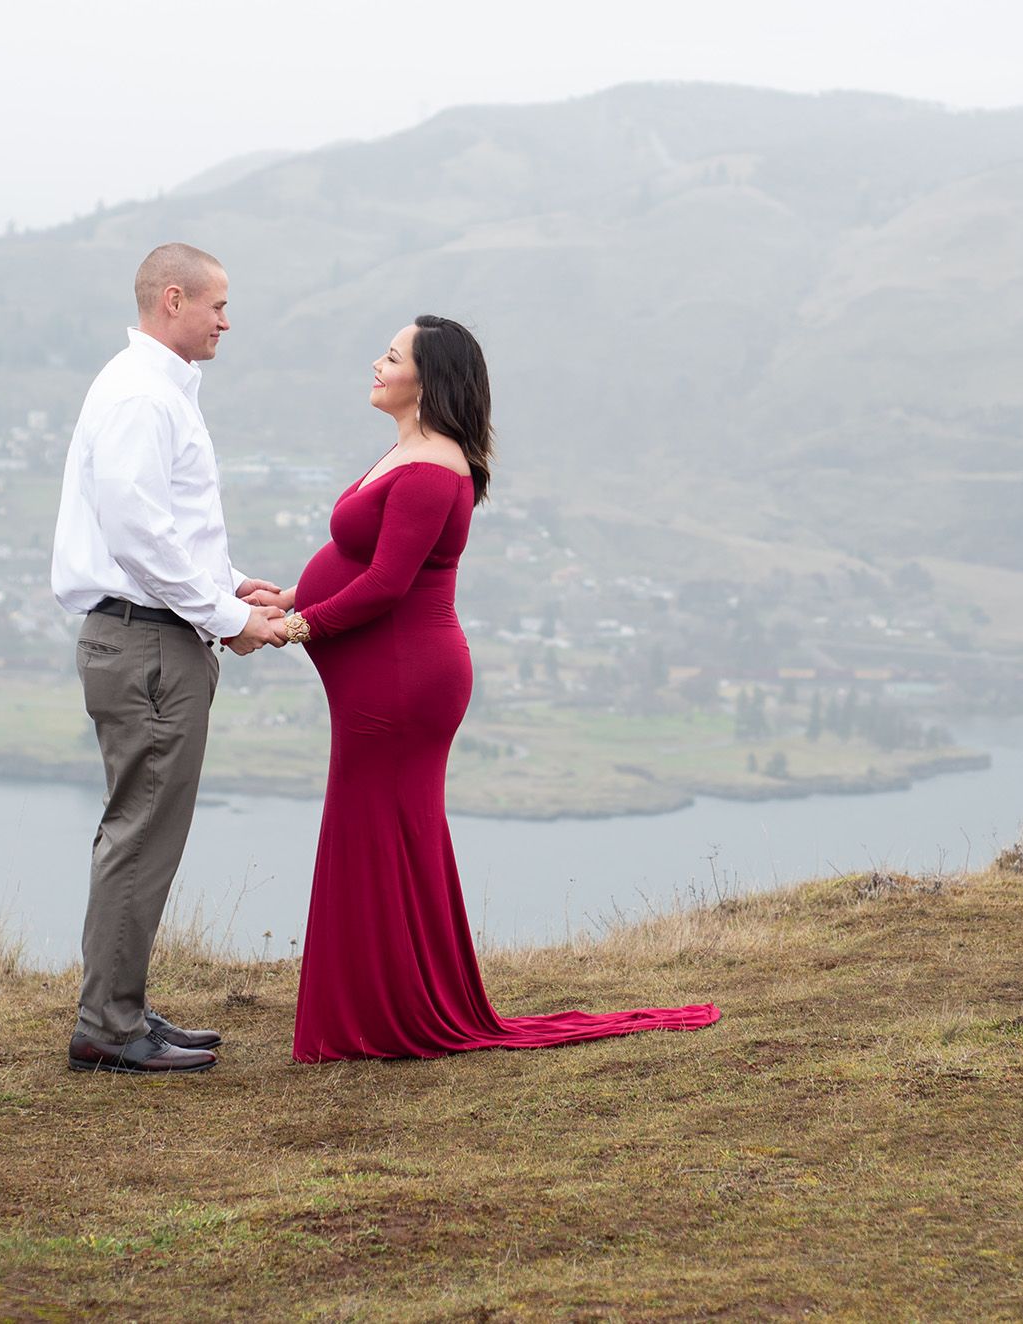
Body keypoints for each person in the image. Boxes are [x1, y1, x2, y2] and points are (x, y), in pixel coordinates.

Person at [276, 315, 720, 1061]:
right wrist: (290, 595)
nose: (376, 365)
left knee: (381, 830)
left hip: (402, 680)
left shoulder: (430, 466)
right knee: (374, 830)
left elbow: (388, 584)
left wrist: (297, 629)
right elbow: (365, 558)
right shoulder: (411, 453)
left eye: (391, 356)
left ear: (428, 379)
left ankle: (388, 1012)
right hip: (386, 675)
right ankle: (378, 1005)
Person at [49, 242, 292, 1074]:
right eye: (218, 305)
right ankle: (108, 1026)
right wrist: (226, 616)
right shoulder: (141, 398)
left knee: (147, 827)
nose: (228, 321)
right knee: (142, 829)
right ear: (174, 299)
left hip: (156, 632)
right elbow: (138, 535)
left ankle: (122, 1007)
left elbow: (168, 530)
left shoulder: (156, 392)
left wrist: (229, 584)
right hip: (148, 642)